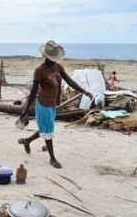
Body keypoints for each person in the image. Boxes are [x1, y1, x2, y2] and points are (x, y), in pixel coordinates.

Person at [17, 40, 93, 168]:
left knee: (44, 129)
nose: (54, 61)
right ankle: (52, 159)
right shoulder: (39, 71)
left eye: (55, 58)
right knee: (49, 131)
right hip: (43, 104)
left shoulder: (58, 67)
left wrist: (84, 91)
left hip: (53, 104)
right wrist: (25, 109)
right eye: (52, 58)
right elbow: (33, 92)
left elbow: (69, 81)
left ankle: (26, 141)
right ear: (45, 56)